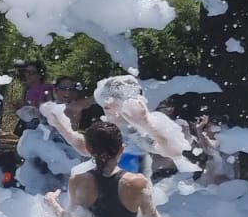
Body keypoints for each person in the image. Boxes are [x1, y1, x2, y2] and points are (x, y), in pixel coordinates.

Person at [40, 74, 190, 177]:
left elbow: (173, 151)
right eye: (104, 99)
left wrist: (147, 124)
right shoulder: (107, 128)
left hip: (137, 195)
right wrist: (63, 127)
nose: (106, 103)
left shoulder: (136, 131)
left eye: (111, 99)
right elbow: (86, 149)